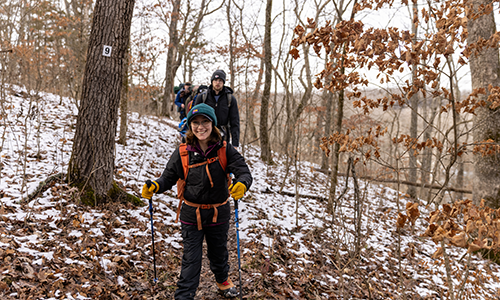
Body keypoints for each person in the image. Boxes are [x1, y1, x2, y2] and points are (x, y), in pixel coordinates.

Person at [142, 103, 252, 299]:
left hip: (219, 212)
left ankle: (222, 280)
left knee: (218, 252)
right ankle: (184, 296)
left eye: (205, 122)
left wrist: (242, 184)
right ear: (190, 125)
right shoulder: (183, 151)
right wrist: (156, 186)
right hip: (191, 213)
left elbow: (244, 172)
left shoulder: (225, 150)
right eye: (195, 123)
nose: (200, 127)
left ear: (213, 124)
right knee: (191, 259)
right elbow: (168, 177)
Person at [194, 70, 240, 148]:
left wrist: (235, 143)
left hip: (223, 136)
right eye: (215, 80)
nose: (217, 83)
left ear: (223, 82)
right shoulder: (202, 97)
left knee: (222, 158)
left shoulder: (230, 99)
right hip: (205, 134)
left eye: (220, 80)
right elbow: (194, 118)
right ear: (212, 81)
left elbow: (234, 121)